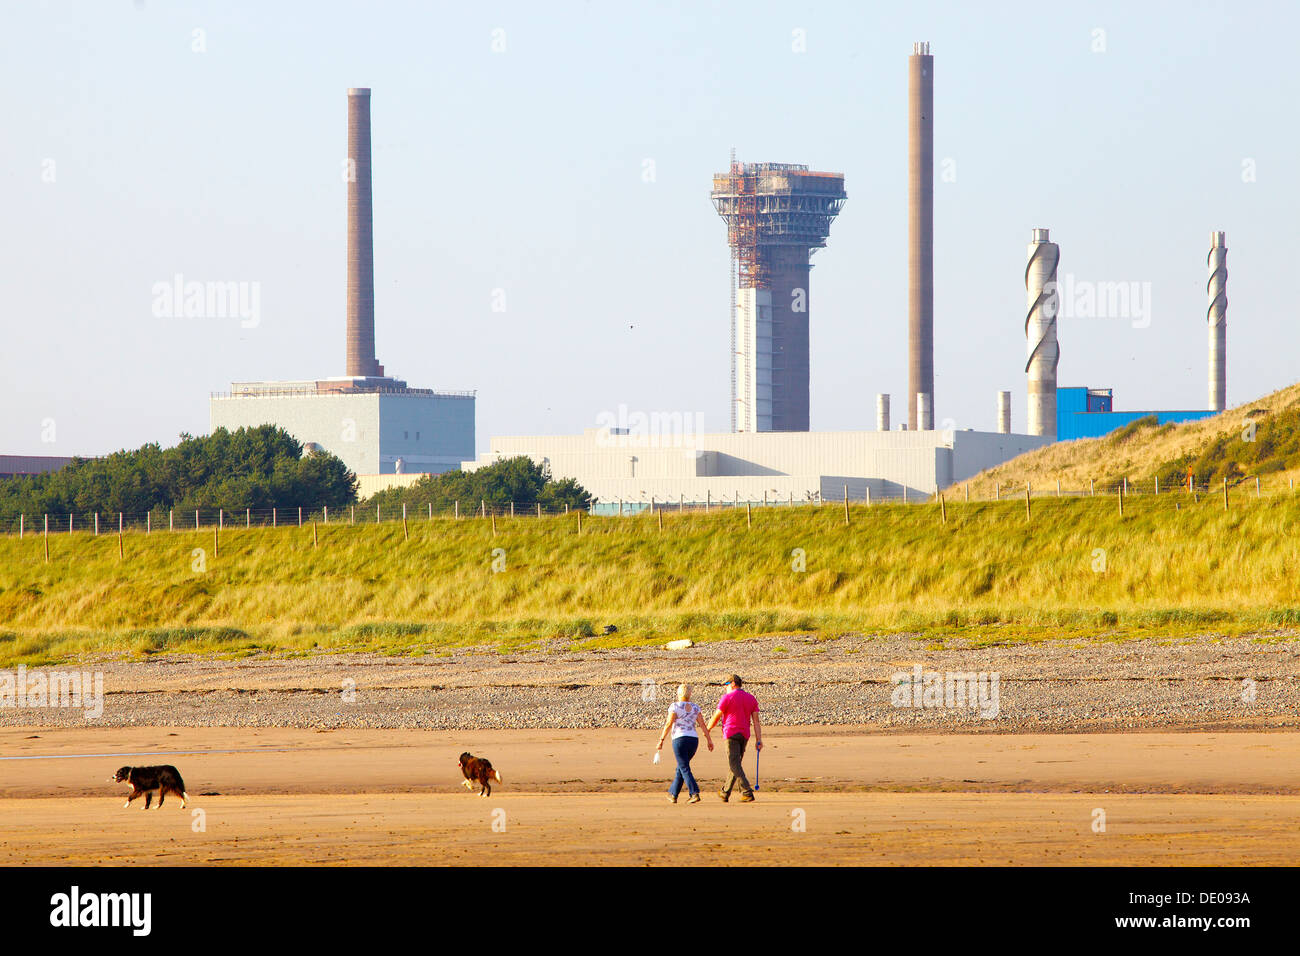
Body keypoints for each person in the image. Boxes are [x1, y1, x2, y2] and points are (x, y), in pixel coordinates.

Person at [706, 674, 762, 802]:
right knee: (735, 763)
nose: (724, 688)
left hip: (731, 733)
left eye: (726, 685)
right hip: (744, 734)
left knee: (734, 763)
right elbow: (756, 722)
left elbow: (716, 716)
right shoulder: (751, 698)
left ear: (732, 684)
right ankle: (725, 792)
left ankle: (747, 791)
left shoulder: (727, 697)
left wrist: (707, 729)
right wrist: (759, 739)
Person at [656, 683, 713, 803]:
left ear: (678, 694)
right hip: (693, 740)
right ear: (690, 694)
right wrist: (709, 740)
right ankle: (673, 794)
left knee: (684, 767)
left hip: (679, 739)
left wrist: (661, 740)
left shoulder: (675, 706)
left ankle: (694, 793)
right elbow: (702, 725)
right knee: (681, 767)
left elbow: (668, 724)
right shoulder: (695, 707)